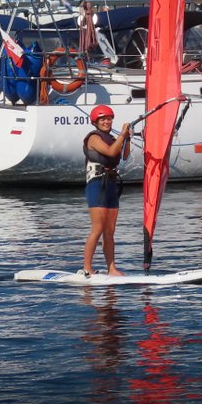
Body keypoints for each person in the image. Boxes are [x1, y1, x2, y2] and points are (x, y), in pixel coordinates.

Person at [80, 104, 131, 277]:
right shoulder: (93, 138)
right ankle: (87, 267)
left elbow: (123, 155)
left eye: (109, 119)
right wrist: (122, 135)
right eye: (103, 119)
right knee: (98, 228)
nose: (106, 122)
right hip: (96, 185)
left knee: (110, 229)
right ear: (95, 122)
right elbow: (110, 152)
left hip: (111, 184)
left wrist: (127, 138)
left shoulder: (113, 137)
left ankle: (112, 268)